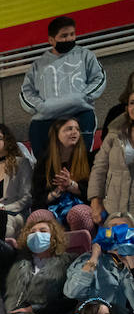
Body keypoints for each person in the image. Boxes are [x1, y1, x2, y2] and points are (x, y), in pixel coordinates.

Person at [20, 16, 106, 158]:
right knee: (45, 163)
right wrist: (42, 107)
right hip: (47, 119)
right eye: (64, 36)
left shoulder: (85, 55)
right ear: (51, 40)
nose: (69, 39)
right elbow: (26, 92)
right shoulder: (38, 65)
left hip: (80, 115)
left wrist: (81, 97)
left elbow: (99, 78)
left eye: (72, 34)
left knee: (81, 161)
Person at [63, 218, 134, 314]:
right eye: (113, 226)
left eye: (123, 227)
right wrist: (94, 257)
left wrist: (131, 264)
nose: (117, 231)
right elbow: (72, 292)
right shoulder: (87, 259)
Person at [5, 211, 72, 314]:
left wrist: (34, 309)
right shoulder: (19, 261)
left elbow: (69, 301)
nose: (37, 235)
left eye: (43, 231)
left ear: (53, 236)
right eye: (32, 232)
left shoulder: (68, 262)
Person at [32, 117, 96, 234]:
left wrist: (71, 185)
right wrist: (57, 192)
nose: (74, 132)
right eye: (68, 129)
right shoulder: (44, 163)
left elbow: (95, 194)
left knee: (78, 213)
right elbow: (37, 199)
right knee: (38, 216)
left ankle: (83, 250)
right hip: (52, 208)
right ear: (56, 135)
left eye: (77, 129)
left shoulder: (89, 159)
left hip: (83, 206)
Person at [90, 88, 134, 222]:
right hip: (114, 211)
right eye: (132, 103)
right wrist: (95, 201)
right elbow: (99, 168)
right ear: (127, 108)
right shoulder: (114, 134)